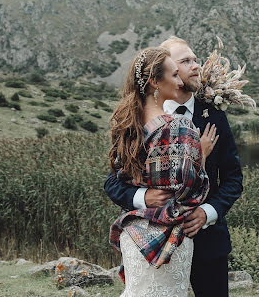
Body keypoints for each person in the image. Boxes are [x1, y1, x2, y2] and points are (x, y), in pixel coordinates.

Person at [105, 37, 244, 297]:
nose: (195, 66)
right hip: (151, 242)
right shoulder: (133, 118)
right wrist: (143, 197)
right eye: (185, 61)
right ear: (163, 71)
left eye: (195, 60)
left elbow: (234, 178)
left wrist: (208, 212)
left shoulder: (214, 116)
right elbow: (113, 180)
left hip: (206, 241)